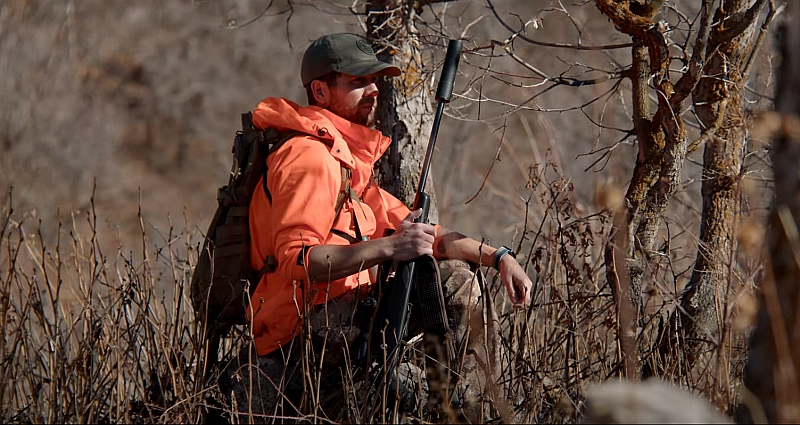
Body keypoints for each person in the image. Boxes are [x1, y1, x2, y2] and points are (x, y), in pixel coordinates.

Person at [218, 33, 533, 423]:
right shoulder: (309, 158)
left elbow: (420, 233)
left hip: (343, 310)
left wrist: (498, 257)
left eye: (374, 81)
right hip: (300, 328)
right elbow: (299, 260)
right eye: (357, 82)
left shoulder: (345, 160)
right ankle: (461, 414)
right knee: (452, 294)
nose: (372, 91)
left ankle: (462, 412)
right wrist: (389, 249)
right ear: (320, 90)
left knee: (458, 280)